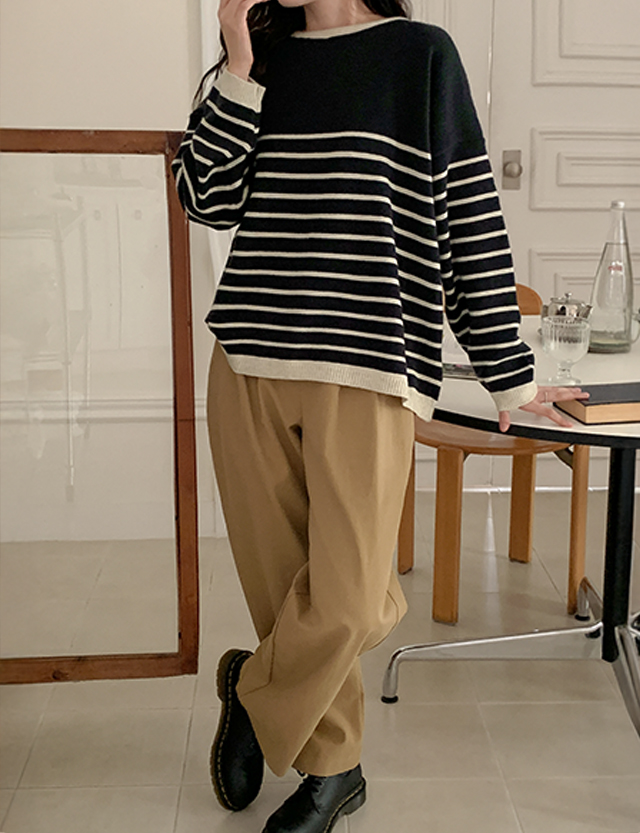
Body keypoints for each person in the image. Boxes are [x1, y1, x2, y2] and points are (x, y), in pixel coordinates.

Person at [172, 1, 588, 830]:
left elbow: (468, 220)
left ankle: (252, 688)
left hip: (368, 369)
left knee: (353, 599)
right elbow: (204, 199)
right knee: (284, 592)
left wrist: (509, 375)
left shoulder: (419, 57)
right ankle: (335, 771)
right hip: (248, 364)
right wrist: (239, 64)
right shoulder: (261, 60)